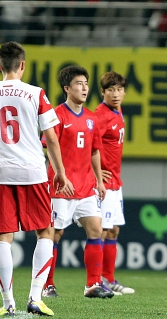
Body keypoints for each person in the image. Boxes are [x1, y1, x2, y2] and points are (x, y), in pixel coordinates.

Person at [0, 41, 73, 316]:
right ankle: (35, 297)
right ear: (23, 65)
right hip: (33, 173)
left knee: (2, 238)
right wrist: (61, 172)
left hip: (2, 173)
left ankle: (7, 304)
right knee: (45, 232)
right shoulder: (36, 94)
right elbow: (51, 137)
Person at [42, 65, 114, 299]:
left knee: (96, 230)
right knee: (54, 235)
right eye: (78, 84)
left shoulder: (92, 117)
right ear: (66, 88)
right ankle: (47, 284)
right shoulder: (56, 116)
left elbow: (94, 151)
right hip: (61, 188)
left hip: (85, 188)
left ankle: (92, 285)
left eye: (85, 84)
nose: (84, 88)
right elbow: (48, 148)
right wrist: (60, 174)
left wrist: (99, 181)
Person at [95, 71, 135, 295]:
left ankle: (109, 278)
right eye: (110, 90)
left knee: (113, 230)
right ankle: (98, 279)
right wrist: (96, 172)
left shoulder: (117, 111)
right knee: (101, 230)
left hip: (115, 181)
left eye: (119, 89)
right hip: (104, 183)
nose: (116, 94)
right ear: (103, 92)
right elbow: (90, 143)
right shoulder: (100, 115)